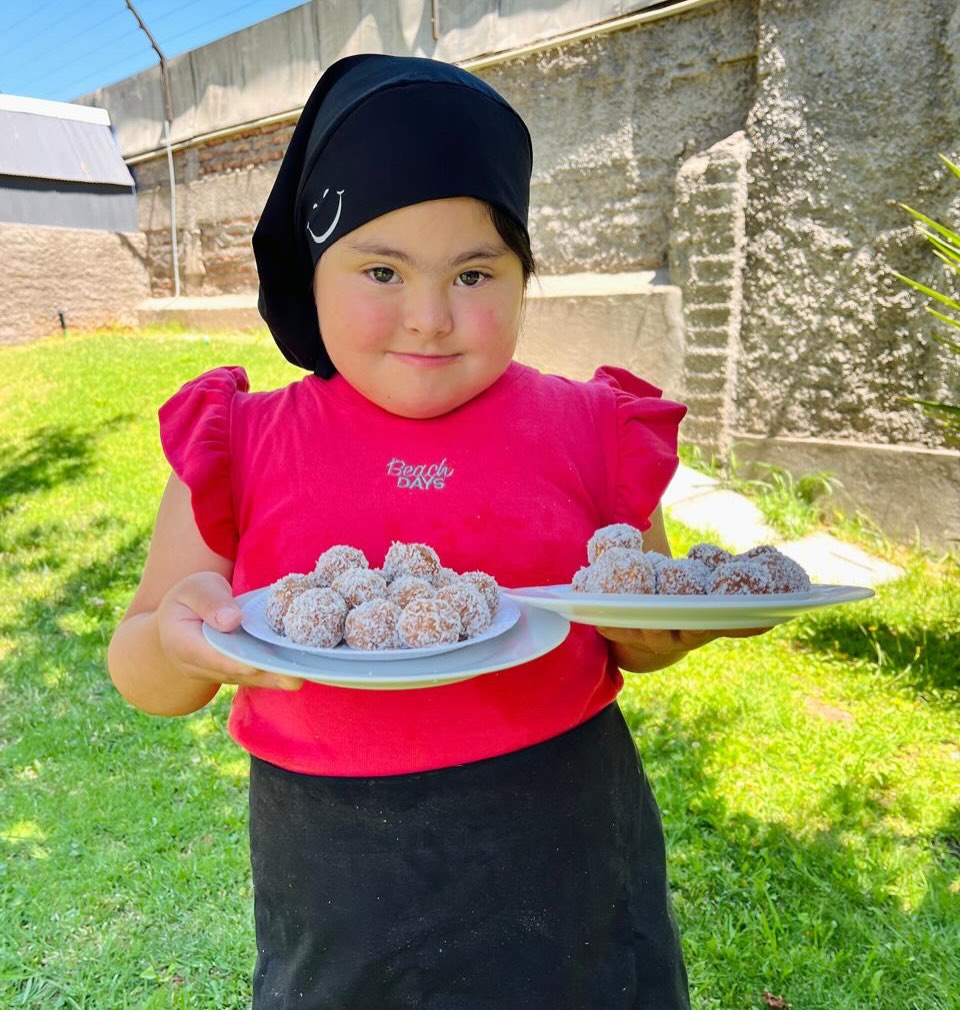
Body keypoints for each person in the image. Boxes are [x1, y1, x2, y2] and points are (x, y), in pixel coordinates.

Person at [108, 54, 761, 1009]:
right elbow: (141, 668)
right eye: (381, 269)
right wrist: (182, 642)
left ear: (524, 277)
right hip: (335, 876)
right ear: (311, 270)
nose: (429, 317)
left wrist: (659, 635)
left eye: (474, 272)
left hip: (568, 848)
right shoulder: (242, 444)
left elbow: (643, 635)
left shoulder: (592, 432)